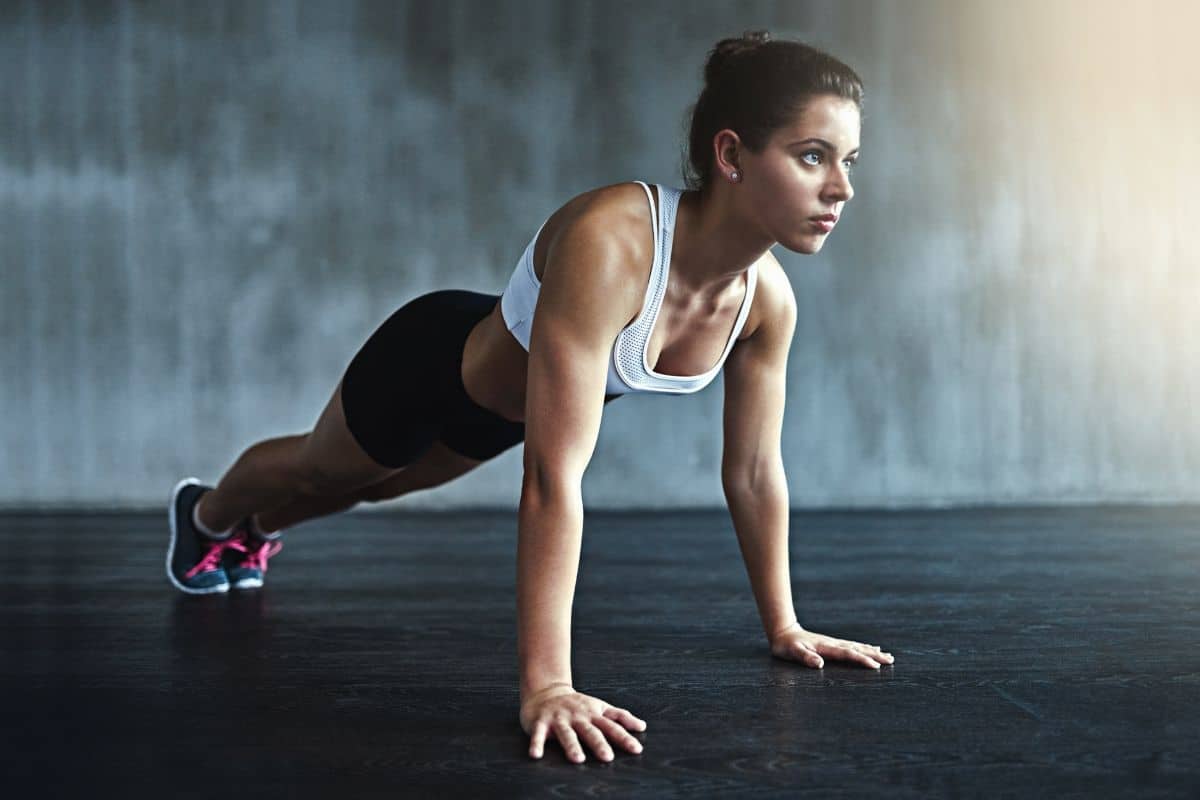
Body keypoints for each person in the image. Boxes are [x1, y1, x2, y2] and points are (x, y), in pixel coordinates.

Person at [165, 29, 895, 763]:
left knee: (379, 487)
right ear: (731, 154)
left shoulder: (766, 303)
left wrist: (785, 626)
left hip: (502, 415)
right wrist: (548, 685)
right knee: (328, 469)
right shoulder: (612, 241)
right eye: (813, 156)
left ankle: (252, 531)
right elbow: (555, 478)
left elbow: (754, 472)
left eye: (849, 161)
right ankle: (207, 514)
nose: (841, 189)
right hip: (430, 363)